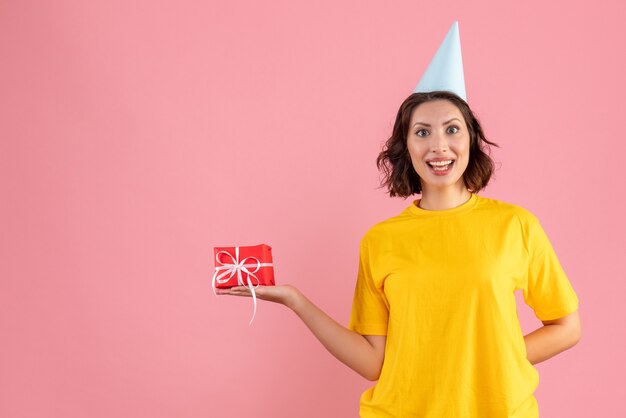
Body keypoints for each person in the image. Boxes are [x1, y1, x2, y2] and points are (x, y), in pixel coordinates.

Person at [216, 89, 581, 417]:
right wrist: (295, 300)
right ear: (406, 147)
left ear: (471, 139)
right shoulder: (380, 240)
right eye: (422, 132)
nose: (438, 145)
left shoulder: (515, 225)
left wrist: (497, 356)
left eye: (452, 129)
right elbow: (374, 362)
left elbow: (566, 327)